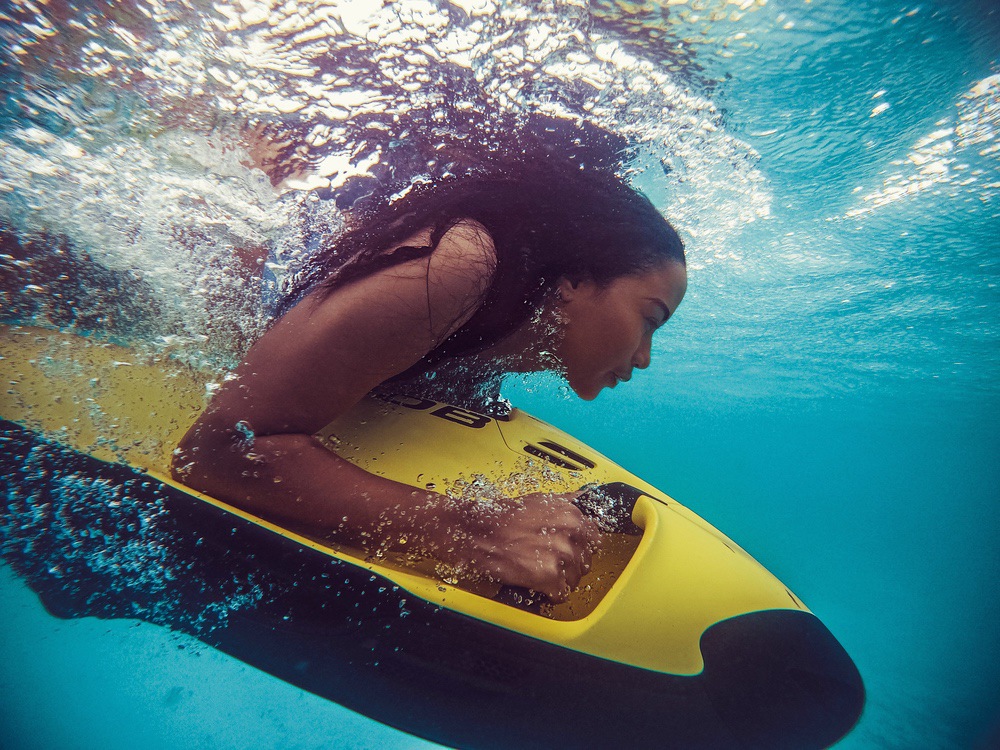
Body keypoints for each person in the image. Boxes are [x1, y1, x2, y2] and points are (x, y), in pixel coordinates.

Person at [171, 159, 687, 602]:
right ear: (574, 280)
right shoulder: (458, 267)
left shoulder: (534, 330)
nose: (644, 358)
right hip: (225, 273)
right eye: (650, 319)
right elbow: (215, 453)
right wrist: (476, 531)